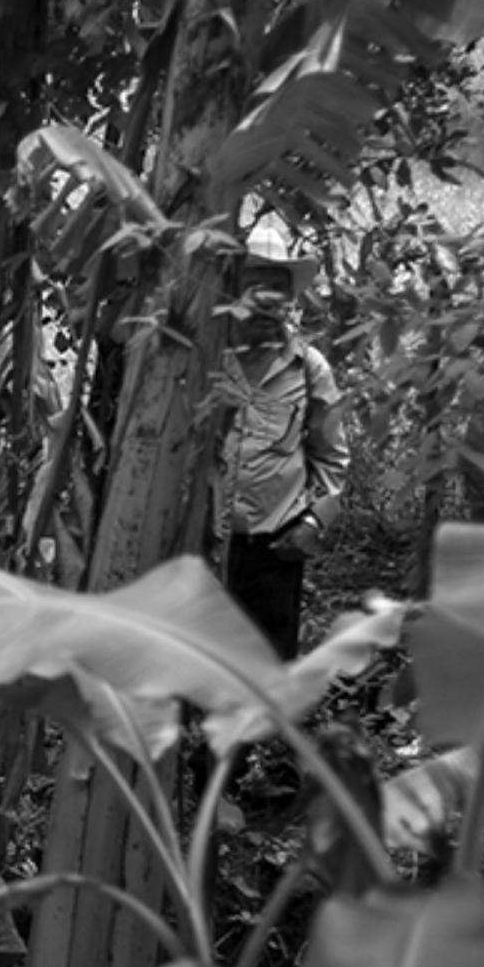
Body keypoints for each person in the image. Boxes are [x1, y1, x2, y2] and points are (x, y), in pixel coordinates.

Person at [218, 233, 346, 660]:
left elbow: (332, 457)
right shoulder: (206, 361)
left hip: (275, 547)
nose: (267, 308)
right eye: (256, 293)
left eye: (278, 296)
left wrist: (313, 523)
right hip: (205, 542)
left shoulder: (309, 368)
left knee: (269, 661)